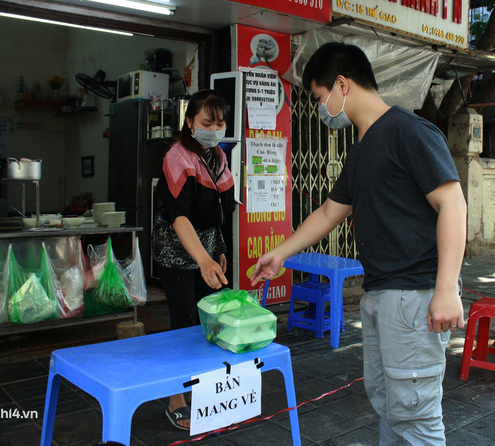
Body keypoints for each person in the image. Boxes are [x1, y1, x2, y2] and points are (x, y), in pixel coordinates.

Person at [250, 42, 467, 445]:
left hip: (415, 296)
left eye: (319, 97)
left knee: (416, 416)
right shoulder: (362, 149)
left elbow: (453, 202)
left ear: (341, 85)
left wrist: (444, 289)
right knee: (390, 405)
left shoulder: (409, 132)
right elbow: (329, 213)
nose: (320, 108)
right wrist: (280, 253)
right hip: (382, 295)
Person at [151, 89, 235, 431]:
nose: (214, 129)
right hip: (178, 250)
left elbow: (218, 211)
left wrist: (219, 250)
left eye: (219, 122)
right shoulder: (177, 156)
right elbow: (179, 217)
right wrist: (202, 259)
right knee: (183, 324)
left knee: (209, 322)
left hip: (207, 249)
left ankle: (207, 389)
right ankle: (176, 399)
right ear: (190, 123)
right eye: (206, 122)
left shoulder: (218, 156)